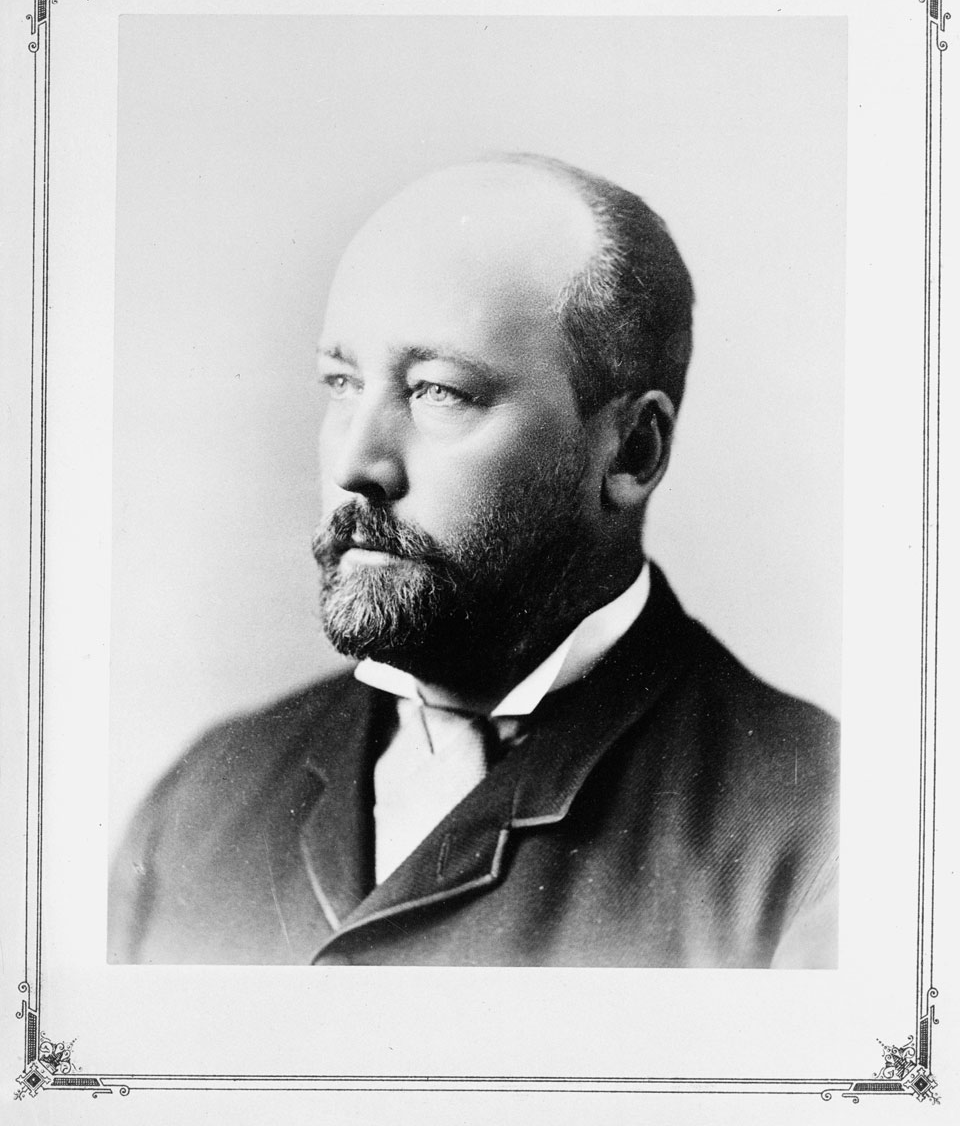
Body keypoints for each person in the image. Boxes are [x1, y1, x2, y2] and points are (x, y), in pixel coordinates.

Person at [108, 154, 838, 967]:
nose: (358, 463)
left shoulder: (825, 838)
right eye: (342, 382)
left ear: (632, 451)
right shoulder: (200, 804)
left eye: (439, 391)